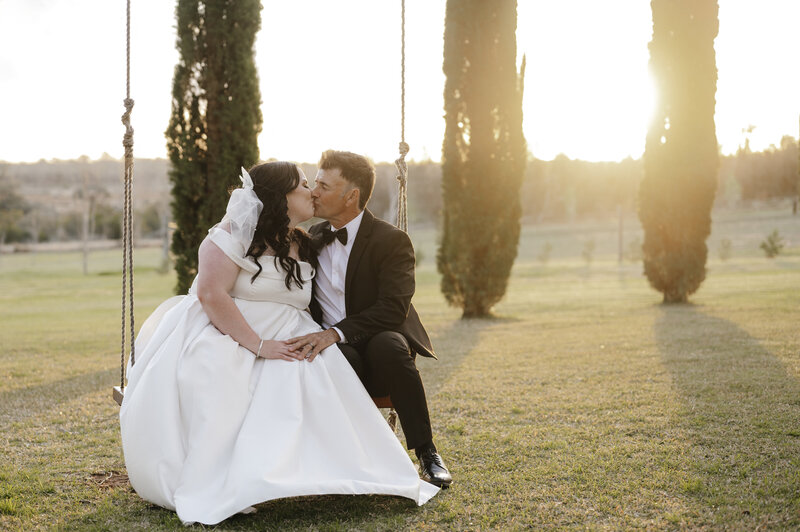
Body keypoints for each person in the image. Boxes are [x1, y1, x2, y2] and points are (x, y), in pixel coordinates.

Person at [119, 162, 438, 526]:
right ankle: (236, 477)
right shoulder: (231, 237)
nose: (312, 192)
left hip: (294, 336)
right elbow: (210, 293)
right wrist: (258, 345)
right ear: (280, 196)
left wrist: (324, 336)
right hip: (233, 334)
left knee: (317, 370)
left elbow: (377, 299)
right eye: (305, 185)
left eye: (318, 185)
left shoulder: (306, 241)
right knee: (219, 374)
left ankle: (359, 464)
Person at [287, 150, 452, 488]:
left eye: (323, 185)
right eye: (314, 183)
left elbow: (393, 309)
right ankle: (341, 460)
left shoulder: (392, 241)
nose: (314, 192)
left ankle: (426, 452)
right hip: (339, 355)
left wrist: (336, 332)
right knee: (332, 355)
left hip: (381, 347)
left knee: (389, 345)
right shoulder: (311, 239)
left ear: (352, 196)